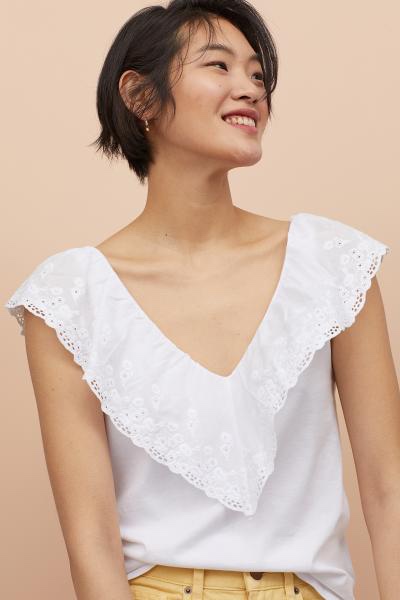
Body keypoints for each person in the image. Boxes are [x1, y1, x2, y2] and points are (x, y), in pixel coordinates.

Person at [4, 1, 399, 600]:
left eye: (258, 75)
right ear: (139, 95)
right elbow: (91, 541)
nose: (251, 89)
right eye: (219, 66)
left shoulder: (333, 264)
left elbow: (389, 488)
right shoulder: (69, 298)